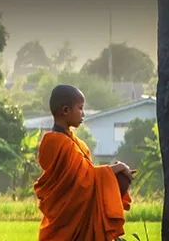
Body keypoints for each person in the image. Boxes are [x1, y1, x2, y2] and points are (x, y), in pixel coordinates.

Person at [34, 85, 135, 241]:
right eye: (80, 108)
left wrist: (116, 174)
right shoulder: (55, 141)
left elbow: (85, 175)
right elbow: (82, 180)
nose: (83, 114)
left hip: (80, 212)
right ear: (65, 110)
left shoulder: (75, 142)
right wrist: (117, 167)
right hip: (67, 215)